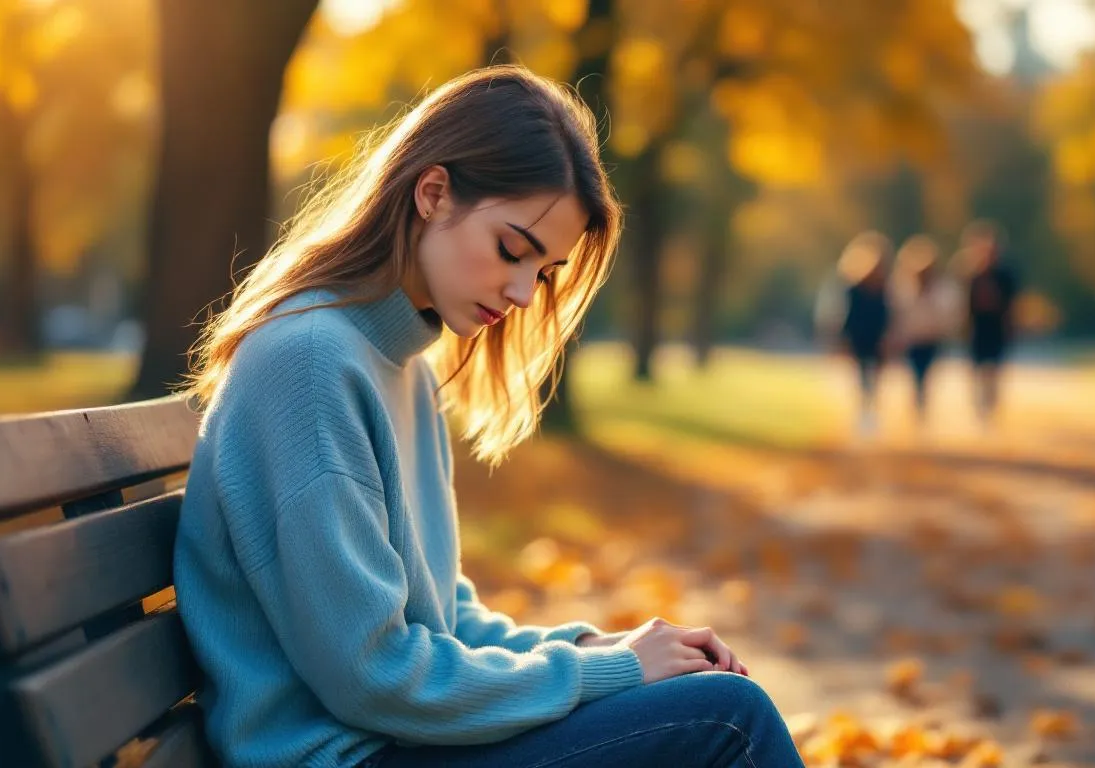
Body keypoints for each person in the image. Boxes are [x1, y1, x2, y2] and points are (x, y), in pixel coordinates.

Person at [174, 66, 804, 768]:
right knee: (729, 719)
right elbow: (377, 677)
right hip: (345, 756)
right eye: (513, 249)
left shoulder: (399, 365)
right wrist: (611, 674)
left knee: (712, 696)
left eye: (544, 271)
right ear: (433, 192)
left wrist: (600, 650)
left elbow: (449, 623)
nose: (524, 294)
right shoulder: (311, 365)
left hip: (392, 744)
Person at [816, 230, 892, 438]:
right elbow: (845, 316)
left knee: (875, 377)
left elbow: (888, 315)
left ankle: (871, 409)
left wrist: (889, 337)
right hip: (859, 338)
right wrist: (842, 339)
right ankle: (865, 412)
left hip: (877, 338)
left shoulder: (885, 288)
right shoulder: (853, 289)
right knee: (862, 376)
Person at [891, 235, 961, 424]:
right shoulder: (903, 286)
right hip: (913, 339)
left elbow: (949, 312)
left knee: (927, 373)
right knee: (916, 373)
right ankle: (918, 404)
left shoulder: (942, 288)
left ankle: (922, 403)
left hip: (932, 338)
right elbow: (898, 312)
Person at [961, 221, 1018, 426]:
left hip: (997, 328)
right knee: (977, 368)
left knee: (993, 369)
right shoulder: (969, 274)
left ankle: (990, 404)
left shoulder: (1005, 275)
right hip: (977, 328)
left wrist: (1011, 325)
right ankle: (980, 406)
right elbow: (962, 304)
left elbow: (1012, 303)